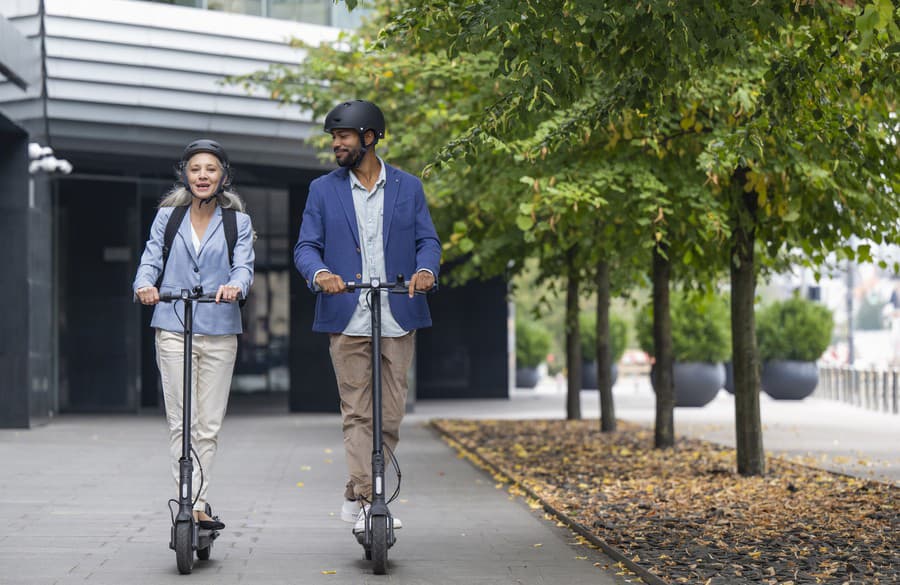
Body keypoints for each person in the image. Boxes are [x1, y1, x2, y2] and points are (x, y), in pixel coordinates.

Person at [294, 100, 441, 533]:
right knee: (358, 412)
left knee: (390, 415)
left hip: (397, 313)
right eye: (334, 138)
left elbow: (427, 241)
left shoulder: (408, 187)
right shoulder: (323, 189)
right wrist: (321, 274)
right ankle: (368, 498)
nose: (336, 144)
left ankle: (359, 488)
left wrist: (426, 270)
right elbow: (306, 247)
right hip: (347, 315)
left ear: (370, 138)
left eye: (343, 136)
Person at [133, 139, 254, 530]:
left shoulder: (238, 222)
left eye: (211, 169)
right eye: (196, 168)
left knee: (208, 425)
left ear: (223, 177)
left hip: (220, 329)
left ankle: (197, 502)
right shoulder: (168, 218)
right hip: (172, 326)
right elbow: (151, 259)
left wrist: (236, 286)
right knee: (180, 422)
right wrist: (144, 286)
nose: (203, 175)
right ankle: (191, 504)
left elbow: (244, 267)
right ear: (185, 173)